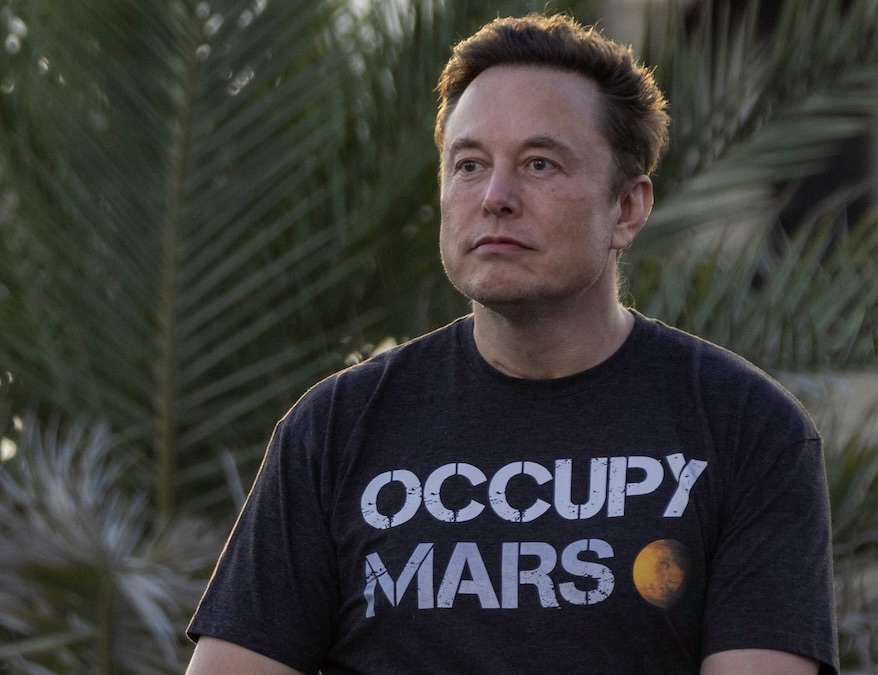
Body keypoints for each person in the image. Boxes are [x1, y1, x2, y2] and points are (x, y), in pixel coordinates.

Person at [186, 12, 838, 675]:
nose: (496, 196)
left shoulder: (745, 429)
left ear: (629, 208)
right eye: (469, 164)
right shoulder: (334, 429)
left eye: (539, 163)